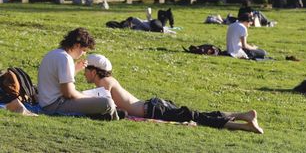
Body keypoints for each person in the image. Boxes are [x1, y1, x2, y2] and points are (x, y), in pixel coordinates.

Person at [84, 54, 263, 134]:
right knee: (198, 116)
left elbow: (100, 104)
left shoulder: (105, 82)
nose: (83, 73)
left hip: (153, 110)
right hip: (154, 106)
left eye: (86, 70)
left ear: (94, 71)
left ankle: (244, 119)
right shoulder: (107, 81)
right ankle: (244, 122)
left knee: (198, 118)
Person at [37, 28, 120, 120]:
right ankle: (111, 115)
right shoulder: (65, 58)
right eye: (84, 50)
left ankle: (103, 113)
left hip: (48, 103)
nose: (84, 54)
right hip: (55, 105)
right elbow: (68, 93)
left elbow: (59, 82)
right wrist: (87, 97)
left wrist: (74, 70)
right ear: (77, 45)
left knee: (98, 99)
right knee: (108, 103)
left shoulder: (54, 53)